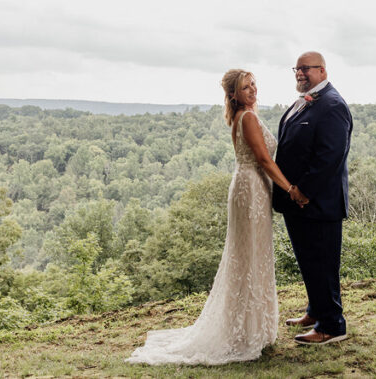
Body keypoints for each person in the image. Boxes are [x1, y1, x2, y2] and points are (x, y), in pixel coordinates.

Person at [125, 69, 303, 365]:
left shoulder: (243, 115)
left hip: (250, 186)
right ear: (233, 93)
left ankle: (251, 327)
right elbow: (263, 159)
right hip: (251, 188)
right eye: (246, 87)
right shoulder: (247, 118)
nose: (253, 90)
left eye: (254, 84)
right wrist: (291, 189)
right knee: (248, 257)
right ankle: (245, 331)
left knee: (251, 255)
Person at [273, 51, 353, 345]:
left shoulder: (332, 105)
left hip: (318, 203)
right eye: (297, 68)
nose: (300, 73)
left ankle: (331, 326)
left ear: (322, 70)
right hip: (297, 204)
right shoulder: (305, 101)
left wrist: (303, 191)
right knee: (309, 262)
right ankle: (315, 311)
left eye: (306, 68)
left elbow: (330, 156)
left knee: (322, 264)